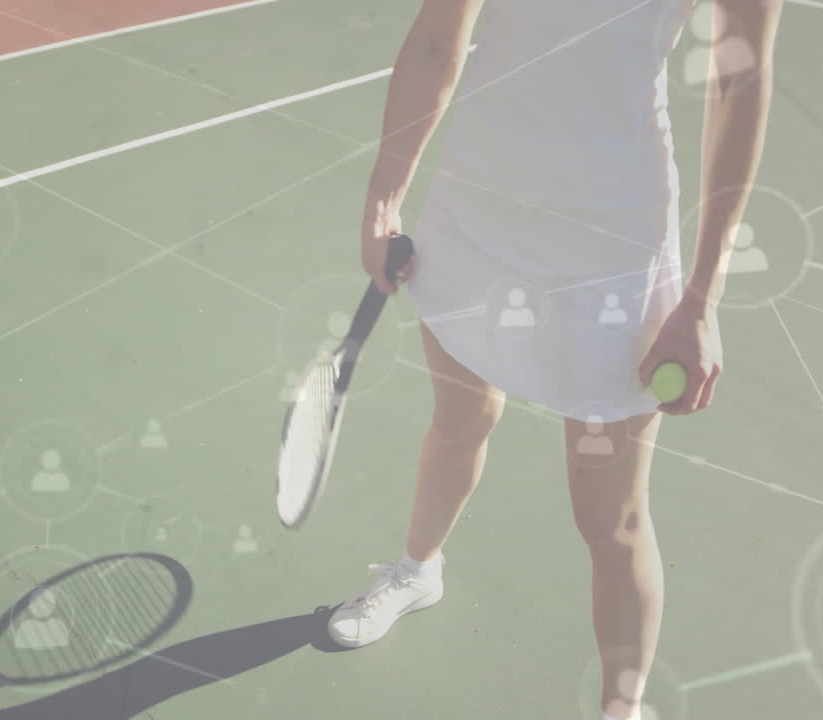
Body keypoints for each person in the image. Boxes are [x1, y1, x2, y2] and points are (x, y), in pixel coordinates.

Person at [329, 2, 783, 720]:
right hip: (478, 204)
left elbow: (740, 85)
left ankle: (621, 710)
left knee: (612, 517)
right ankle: (417, 572)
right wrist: (383, 198)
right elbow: (437, 38)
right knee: (458, 420)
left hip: (613, 240)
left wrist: (700, 299)